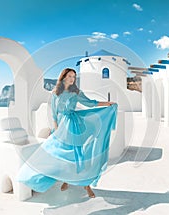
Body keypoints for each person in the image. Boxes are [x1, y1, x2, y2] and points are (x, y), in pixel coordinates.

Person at [17, 68, 117, 198]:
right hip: (61, 126)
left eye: (74, 77)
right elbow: (54, 114)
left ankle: (86, 185)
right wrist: (56, 129)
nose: (72, 78)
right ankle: (66, 180)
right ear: (63, 77)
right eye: (69, 76)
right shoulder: (55, 93)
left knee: (78, 155)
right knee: (60, 155)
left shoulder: (76, 92)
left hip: (74, 125)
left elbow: (90, 103)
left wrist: (107, 103)